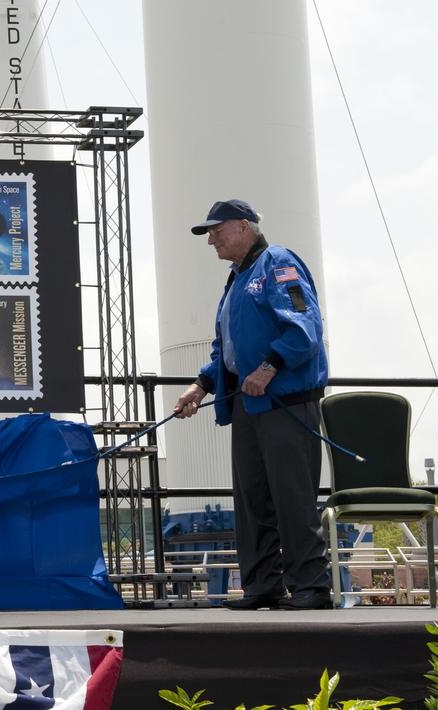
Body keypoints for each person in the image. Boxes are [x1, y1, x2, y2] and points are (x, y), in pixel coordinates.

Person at [173, 199, 332, 610]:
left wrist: (268, 368)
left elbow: (304, 329)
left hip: (283, 402)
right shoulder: (236, 279)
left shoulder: (278, 263)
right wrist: (201, 386)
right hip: (247, 405)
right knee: (251, 499)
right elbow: (226, 349)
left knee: (292, 496)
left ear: (244, 226)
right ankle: (262, 585)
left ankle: (311, 588)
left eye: (217, 230)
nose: (211, 240)